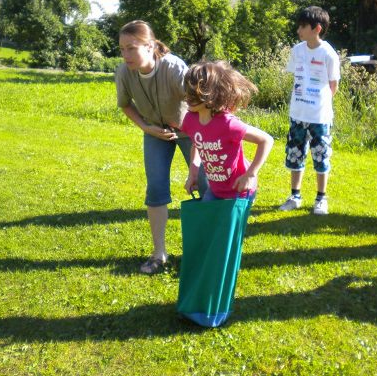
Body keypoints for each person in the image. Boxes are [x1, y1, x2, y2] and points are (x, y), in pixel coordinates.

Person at [115, 20, 207, 274]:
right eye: (122, 49)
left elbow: (200, 108)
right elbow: (125, 104)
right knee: (155, 189)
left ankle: (208, 251)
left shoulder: (173, 67)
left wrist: (195, 165)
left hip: (191, 130)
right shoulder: (124, 72)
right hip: (155, 132)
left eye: (131, 48)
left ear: (150, 46)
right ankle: (159, 254)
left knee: (206, 184)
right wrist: (146, 128)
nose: (125, 55)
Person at [278, 6, 340, 215]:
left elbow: (333, 86)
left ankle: (321, 199)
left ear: (317, 29)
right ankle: (294, 196)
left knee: (321, 156)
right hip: (297, 114)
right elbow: (296, 78)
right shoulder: (297, 51)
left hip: (319, 117)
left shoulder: (329, 54)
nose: (299, 30)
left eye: (303, 26)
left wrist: (317, 104)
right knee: (295, 154)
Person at [182, 61, 273, 201]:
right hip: (215, 190)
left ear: (209, 95)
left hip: (240, 191)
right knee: (208, 216)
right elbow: (197, 144)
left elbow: (266, 140)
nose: (187, 97)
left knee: (227, 218)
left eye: (192, 93)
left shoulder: (228, 124)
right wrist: (193, 173)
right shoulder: (190, 120)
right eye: (187, 90)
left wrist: (250, 174)